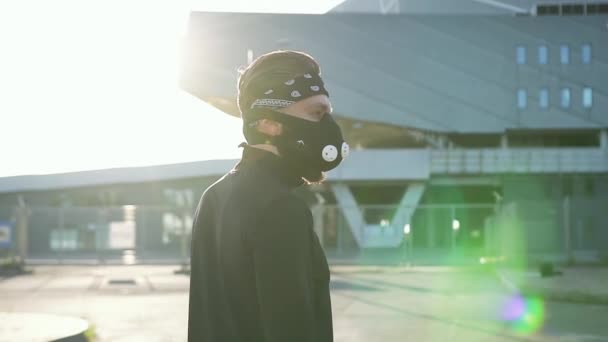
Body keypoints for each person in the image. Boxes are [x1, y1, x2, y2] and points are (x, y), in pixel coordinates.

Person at [187, 50, 349, 342]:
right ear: (267, 123)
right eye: (316, 113)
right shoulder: (280, 208)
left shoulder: (213, 197)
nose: (329, 127)